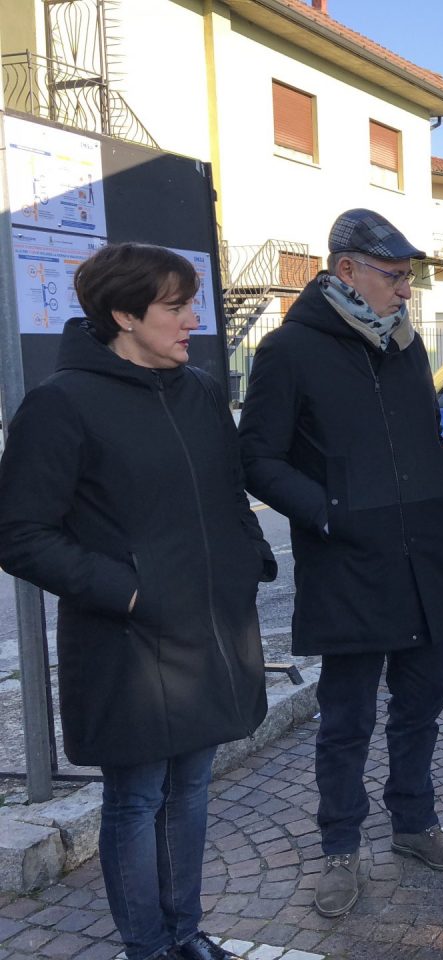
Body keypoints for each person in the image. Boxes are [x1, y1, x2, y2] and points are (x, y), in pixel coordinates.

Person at [0, 243, 275, 960]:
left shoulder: (202, 391)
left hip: (211, 632)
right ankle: (147, 949)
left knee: (192, 792)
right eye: (176, 307)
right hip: (129, 646)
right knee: (138, 799)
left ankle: (186, 935)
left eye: (192, 304)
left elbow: (229, 492)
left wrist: (251, 558)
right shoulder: (60, 405)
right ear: (124, 315)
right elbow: (21, 534)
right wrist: (127, 590)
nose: (193, 321)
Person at [238, 209, 443, 917]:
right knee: (347, 722)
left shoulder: (403, 347)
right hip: (347, 567)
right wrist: (332, 514)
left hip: (422, 561)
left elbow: (424, 438)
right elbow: (258, 460)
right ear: (347, 271)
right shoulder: (289, 350)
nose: (408, 292)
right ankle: (340, 849)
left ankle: (413, 824)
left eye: (410, 278)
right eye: (396, 277)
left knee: (423, 706)